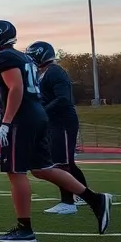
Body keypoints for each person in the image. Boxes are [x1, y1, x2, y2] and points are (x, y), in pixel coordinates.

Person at [0, 20, 112, 242]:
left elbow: (17, 87)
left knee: (15, 171)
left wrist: (7, 121)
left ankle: (25, 230)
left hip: (21, 118)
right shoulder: (23, 57)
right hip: (37, 115)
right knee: (42, 169)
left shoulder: (5, 57)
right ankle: (95, 199)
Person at [27, 41, 90, 215]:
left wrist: (42, 111)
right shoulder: (43, 73)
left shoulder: (55, 72)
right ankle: (86, 196)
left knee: (61, 163)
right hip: (54, 122)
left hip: (63, 121)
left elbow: (63, 99)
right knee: (66, 162)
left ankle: (68, 202)